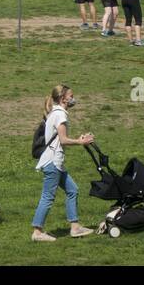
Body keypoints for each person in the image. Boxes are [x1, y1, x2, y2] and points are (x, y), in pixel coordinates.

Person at [31, 85, 95, 242]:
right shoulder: (60, 115)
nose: (73, 99)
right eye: (71, 96)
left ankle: (75, 227)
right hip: (53, 163)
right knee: (48, 197)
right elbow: (63, 140)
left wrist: (79, 140)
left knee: (72, 190)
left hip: (55, 163)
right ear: (62, 99)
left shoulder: (55, 113)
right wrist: (80, 142)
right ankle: (37, 232)